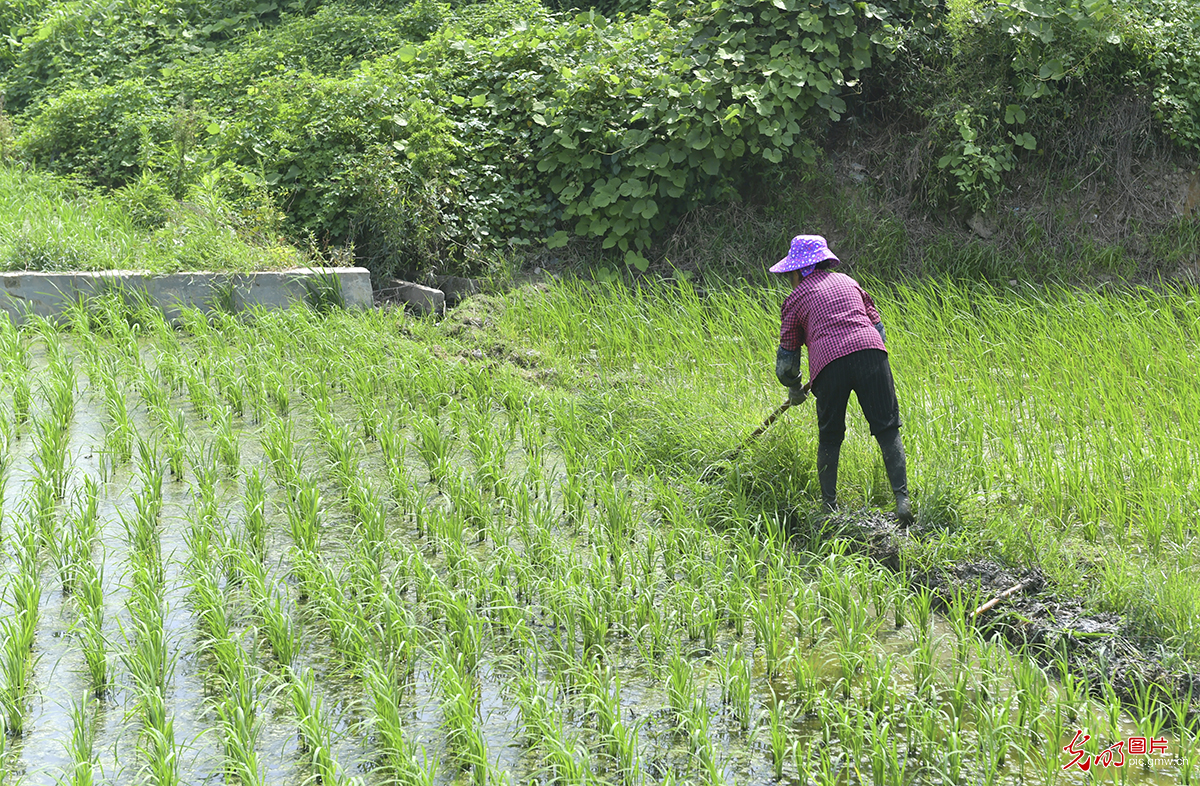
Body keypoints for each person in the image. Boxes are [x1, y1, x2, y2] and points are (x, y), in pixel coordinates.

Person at [771, 234, 913, 526]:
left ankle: (829, 507)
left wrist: (795, 388)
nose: (790, 280)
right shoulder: (850, 282)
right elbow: (879, 330)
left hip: (829, 364)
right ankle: (902, 500)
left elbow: (786, 362)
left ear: (800, 270)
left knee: (830, 435)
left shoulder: (795, 299)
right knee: (887, 428)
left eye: (791, 274)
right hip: (872, 353)